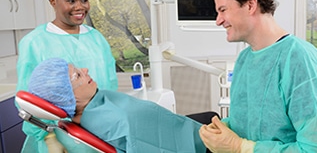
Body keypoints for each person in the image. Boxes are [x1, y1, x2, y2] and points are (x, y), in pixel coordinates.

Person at [198, 0, 317, 152]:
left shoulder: (300, 60)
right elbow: (251, 121)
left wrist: (241, 147)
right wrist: (224, 129)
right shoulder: (245, 59)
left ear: (250, 5)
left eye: (222, 10)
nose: (218, 21)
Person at [16, 0, 118, 152]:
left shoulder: (96, 38)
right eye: (71, 1)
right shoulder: (35, 42)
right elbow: (28, 99)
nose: (80, 7)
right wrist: (48, 137)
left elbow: (110, 83)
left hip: (99, 132)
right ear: (53, 1)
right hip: (58, 136)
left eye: (84, 0)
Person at [25, 58, 207, 153]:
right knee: (212, 117)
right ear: (66, 96)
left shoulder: (96, 103)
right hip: (192, 142)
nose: (86, 70)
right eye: (78, 75)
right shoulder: (116, 121)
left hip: (182, 129)